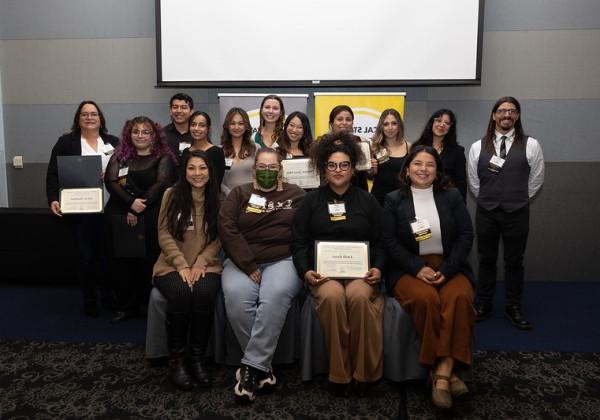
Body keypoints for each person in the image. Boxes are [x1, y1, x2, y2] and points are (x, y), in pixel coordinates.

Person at [381, 145, 475, 410]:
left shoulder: (452, 196)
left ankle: (441, 373)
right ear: (407, 169)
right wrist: (416, 267)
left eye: (430, 164)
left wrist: (446, 270)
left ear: (437, 170)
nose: (423, 169)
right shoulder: (393, 200)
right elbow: (388, 241)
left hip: (448, 265)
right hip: (409, 268)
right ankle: (447, 372)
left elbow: (466, 236)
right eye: (418, 164)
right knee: (425, 299)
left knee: (459, 296)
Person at [292, 133, 385, 397]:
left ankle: (365, 373)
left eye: (344, 165)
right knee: (332, 298)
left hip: (362, 274)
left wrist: (378, 268)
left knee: (358, 297)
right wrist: (305, 271)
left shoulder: (368, 201)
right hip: (323, 275)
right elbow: (298, 242)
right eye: (332, 165)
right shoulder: (310, 201)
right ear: (324, 168)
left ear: (353, 167)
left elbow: (380, 241)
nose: (338, 170)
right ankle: (339, 374)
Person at [218, 148, 305, 403]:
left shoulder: (296, 195)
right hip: (242, 260)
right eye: (262, 167)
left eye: (272, 167)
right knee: (236, 296)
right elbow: (226, 228)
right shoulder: (239, 193)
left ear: (281, 169)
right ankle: (261, 368)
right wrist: (248, 264)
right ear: (254, 169)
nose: (267, 172)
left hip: (283, 259)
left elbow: (302, 233)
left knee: (274, 296)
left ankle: (249, 369)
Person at [468, 97, 544, 330]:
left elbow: (536, 179)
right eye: (502, 111)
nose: (506, 115)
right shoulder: (477, 146)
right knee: (486, 260)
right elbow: (474, 181)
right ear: (493, 115)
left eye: (512, 111)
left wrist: (517, 198)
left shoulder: (532, 145)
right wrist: (491, 199)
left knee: (514, 261)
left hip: (517, 212)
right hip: (487, 212)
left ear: (518, 116)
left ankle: (513, 306)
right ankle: (485, 303)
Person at [152, 150, 222, 390]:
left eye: (202, 168)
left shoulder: (218, 197)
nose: (197, 173)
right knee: (181, 293)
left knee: (203, 293)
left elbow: (219, 238)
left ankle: (197, 357)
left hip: (207, 265)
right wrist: (182, 264)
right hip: (171, 264)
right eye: (191, 168)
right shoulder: (171, 195)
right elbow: (163, 233)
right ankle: (177, 360)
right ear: (184, 171)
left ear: (210, 172)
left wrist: (201, 262)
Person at [46, 100, 119, 317]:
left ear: (101, 118)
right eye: (84, 114)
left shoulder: (113, 142)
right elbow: (53, 173)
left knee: (109, 256)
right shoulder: (66, 143)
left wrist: (112, 177)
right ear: (78, 118)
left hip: (110, 207)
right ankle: (89, 299)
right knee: (86, 257)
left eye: (94, 114)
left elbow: (126, 171)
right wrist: (53, 198)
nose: (89, 118)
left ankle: (108, 296)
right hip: (81, 211)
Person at [105, 116, 177, 323]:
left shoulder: (163, 157)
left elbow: (161, 184)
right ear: (129, 134)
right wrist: (130, 203)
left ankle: (148, 305)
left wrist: (138, 206)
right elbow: (111, 181)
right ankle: (126, 306)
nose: (140, 136)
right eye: (136, 131)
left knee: (147, 262)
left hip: (150, 216)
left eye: (146, 132)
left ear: (154, 136)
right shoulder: (120, 156)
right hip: (119, 215)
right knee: (121, 263)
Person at [413, 109, 467, 201]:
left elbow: (461, 183)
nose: (442, 125)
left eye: (446, 123)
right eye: (438, 120)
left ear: (450, 127)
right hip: (420, 197)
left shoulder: (457, 151)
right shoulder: (417, 147)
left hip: (447, 200)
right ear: (432, 123)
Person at [328, 105, 376, 191]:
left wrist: (372, 169)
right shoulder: (323, 144)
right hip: (331, 191)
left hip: (358, 190)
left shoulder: (362, 142)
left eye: (348, 119)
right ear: (331, 123)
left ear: (352, 123)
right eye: (339, 119)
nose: (344, 122)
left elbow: (370, 176)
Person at [370, 108, 411, 206]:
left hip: (402, 198)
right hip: (379, 199)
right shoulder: (374, 148)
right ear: (381, 127)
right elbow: (370, 177)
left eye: (394, 123)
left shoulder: (409, 147)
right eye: (386, 124)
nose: (390, 127)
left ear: (399, 126)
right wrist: (372, 171)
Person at [181, 111, 225, 187]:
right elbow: (183, 180)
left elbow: (217, 182)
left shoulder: (217, 152)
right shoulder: (186, 152)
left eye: (202, 125)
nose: (196, 128)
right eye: (193, 125)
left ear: (208, 129)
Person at [220, 108, 257, 197]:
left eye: (241, 123)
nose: (236, 127)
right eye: (232, 123)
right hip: (228, 201)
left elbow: (260, 176)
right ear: (227, 126)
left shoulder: (256, 148)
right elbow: (216, 179)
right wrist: (230, 194)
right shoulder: (219, 151)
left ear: (246, 126)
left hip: (252, 200)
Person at [164, 93, 194, 162]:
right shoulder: (162, 135)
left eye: (184, 107)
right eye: (175, 107)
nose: (179, 111)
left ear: (191, 112)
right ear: (170, 111)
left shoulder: (197, 134)